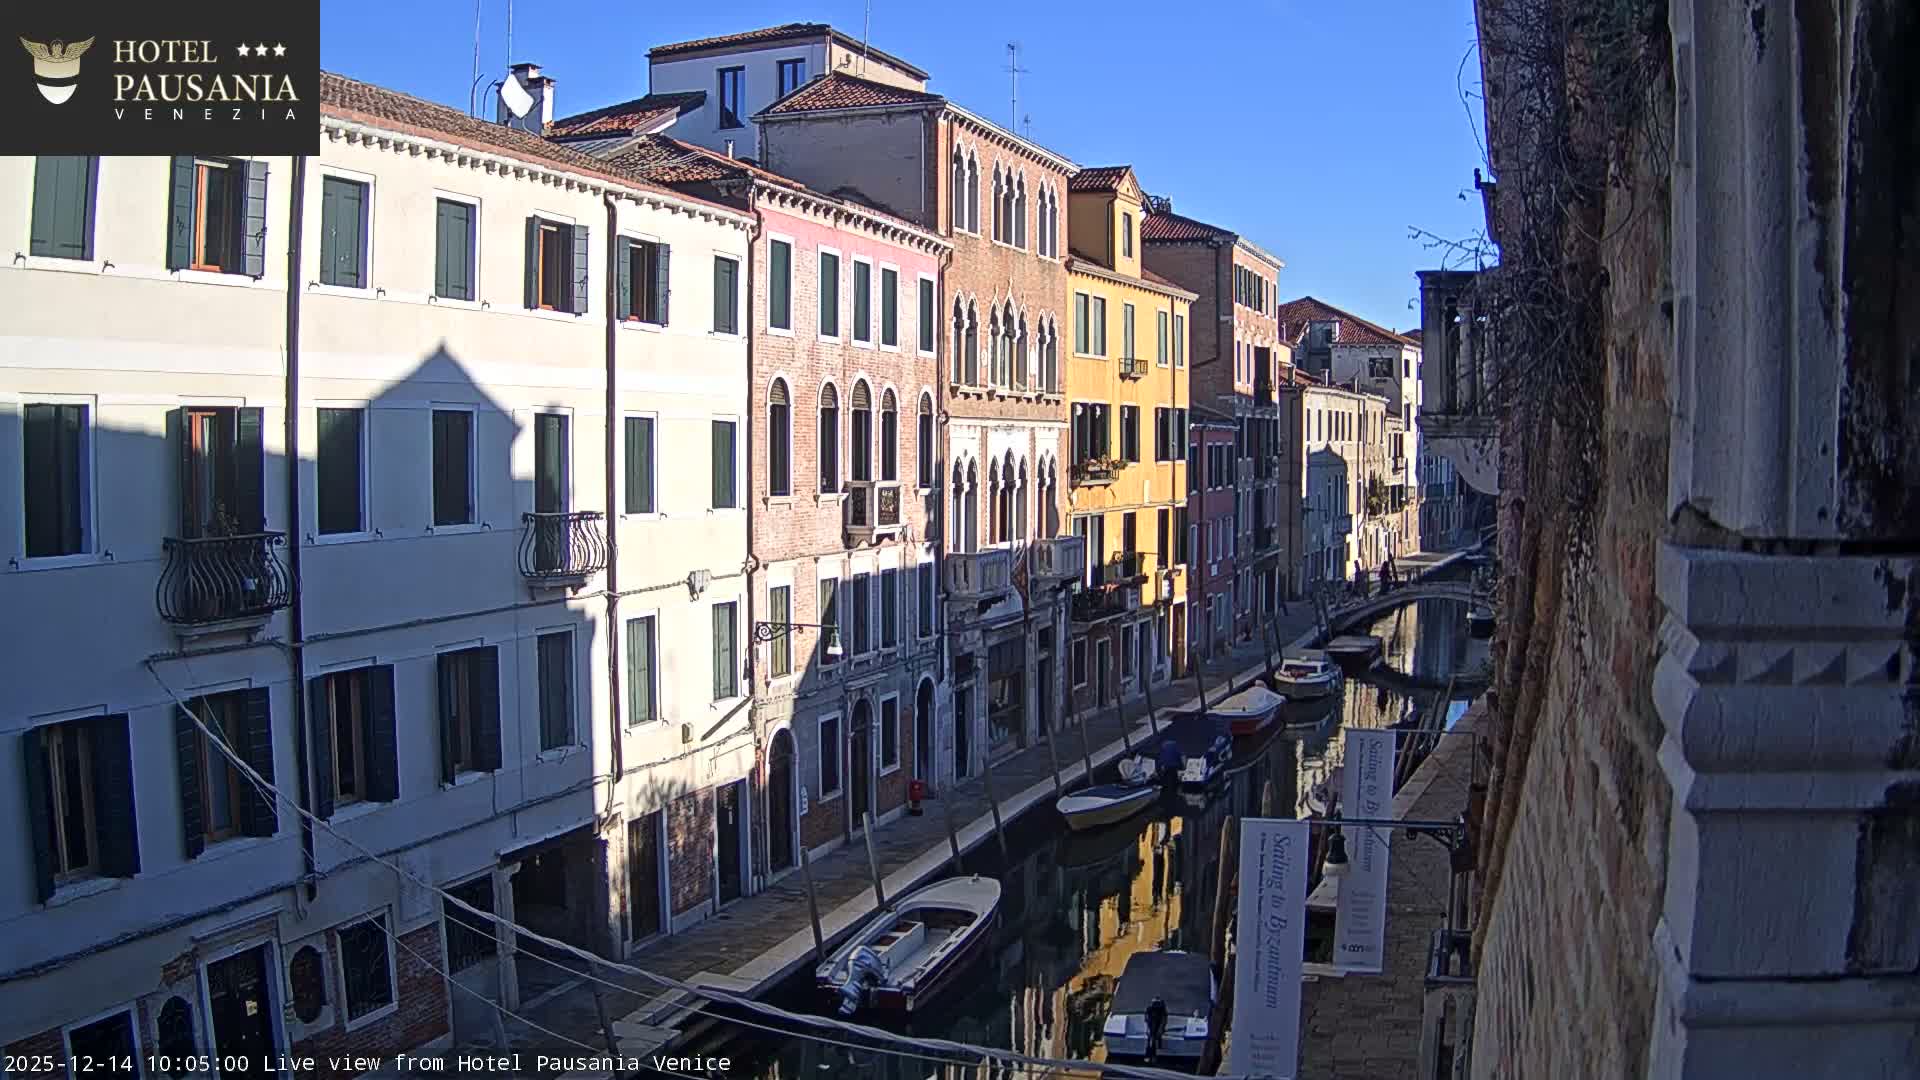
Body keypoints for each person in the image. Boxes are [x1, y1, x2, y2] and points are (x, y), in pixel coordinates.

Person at [1144, 996, 1169, 1063]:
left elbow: (1164, 1021)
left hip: (1158, 1027)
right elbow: (1146, 1019)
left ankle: (1151, 1056)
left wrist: (1161, 1029)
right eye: (1154, 1003)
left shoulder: (1162, 1011)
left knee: (1152, 1040)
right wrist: (1148, 1028)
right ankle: (1150, 1056)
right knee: (1151, 1041)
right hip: (1151, 1027)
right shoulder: (1149, 1009)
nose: (1155, 1005)